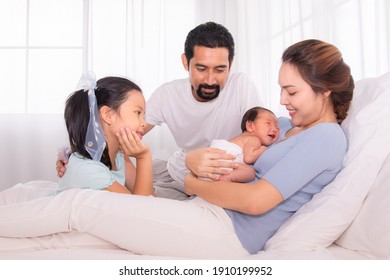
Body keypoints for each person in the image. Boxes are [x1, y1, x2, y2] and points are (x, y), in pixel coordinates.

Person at [0, 39, 354, 258]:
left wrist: (191, 183)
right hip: (210, 210)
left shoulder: (326, 138)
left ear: (324, 90)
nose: (281, 101)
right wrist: (78, 148)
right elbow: (118, 130)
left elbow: (256, 201)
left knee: (78, 204)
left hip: (227, 234)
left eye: (291, 92)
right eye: (281, 90)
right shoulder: (288, 126)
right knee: (87, 227)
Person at [56, 21, 262, 200]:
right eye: (201, 68)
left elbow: (265, 131)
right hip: (185, 165)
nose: (210, 79)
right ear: (185, 62)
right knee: (163, 168)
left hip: (228, 166)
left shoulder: (241, 85)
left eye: (219, 69)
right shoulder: (168, 94)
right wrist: (77, 150)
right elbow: (119, 128)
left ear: (230, 64)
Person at [57, 74, 154, 196]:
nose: (144, 123)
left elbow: (148, 194)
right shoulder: (88, 170)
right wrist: (143, 157)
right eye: (138, 113)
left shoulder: (119, 157)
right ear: (108, 115)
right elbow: (142, 207)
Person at [204, 106, 280, 182]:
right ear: (250, 126)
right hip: (226, 161)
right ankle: (228, 178)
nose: (274, 129)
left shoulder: (241, 139)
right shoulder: (254, 139)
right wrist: (263, 149)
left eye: (277, 127)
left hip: (209, 161)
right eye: (268, 123)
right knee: (250, 172)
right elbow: (248, 158)